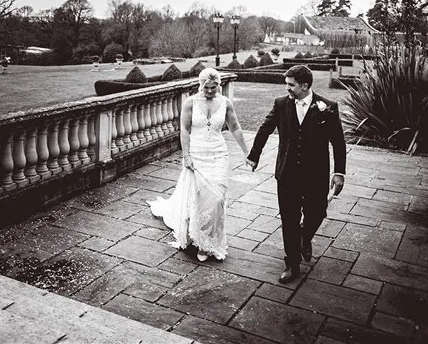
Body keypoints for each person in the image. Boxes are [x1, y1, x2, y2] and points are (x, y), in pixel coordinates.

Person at [247, 64, 346, 284]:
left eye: (291, 85)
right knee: (288, 220)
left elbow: (338, 142)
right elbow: (265, 128)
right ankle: (292, 264)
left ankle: (305, 236)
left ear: (304, 85)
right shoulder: (281, 104)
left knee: (318, 212)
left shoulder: (328, 107)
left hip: (316, 174)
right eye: (287, 85)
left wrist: (339, 172)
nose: (287, 89)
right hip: (287, 174)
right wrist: (254, 155)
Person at [148, 68, 251, 262]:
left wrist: (247, 152)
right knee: (200, 198)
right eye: (207, 87)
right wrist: (186, 156)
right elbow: (185, 130)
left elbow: (235, 127)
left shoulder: (225, 103)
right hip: (197, 154)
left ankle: (211, 242)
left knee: (217, 198)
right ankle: (200, 241)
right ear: (200, 85)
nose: (210, 91)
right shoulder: (191, 102)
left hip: (219, 154)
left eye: (214, 87)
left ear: (219, 85)